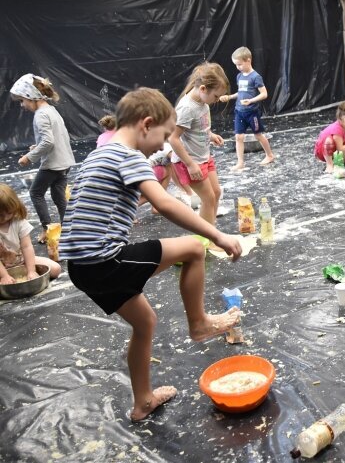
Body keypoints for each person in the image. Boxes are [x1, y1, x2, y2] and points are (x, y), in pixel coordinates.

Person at [59, 87, 242, 422]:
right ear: (146, 124)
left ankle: (142, 402)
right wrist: (217, 234)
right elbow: (165, 202)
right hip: (104, 260)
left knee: (145, 323)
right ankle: (199, 324)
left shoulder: (97, 154)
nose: (162, 145)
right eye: (163, 135)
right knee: (192, 248)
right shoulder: (127, 156)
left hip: (80, 268)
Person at [10, 74, 75, 245]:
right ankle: (70, 228)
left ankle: (47, 231)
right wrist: (37, 146)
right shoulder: (51, 110)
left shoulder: (40, 115)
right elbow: (56, 137)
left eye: (22, 101)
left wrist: (29, 157)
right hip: (64, 161)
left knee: (35, 193)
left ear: (31, 97)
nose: (22, 105)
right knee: (58, 195)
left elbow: (48, 141)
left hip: (52, 164)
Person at [169, 62, 229, 237]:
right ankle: (205, 240)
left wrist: (211, 135)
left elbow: (199, 128)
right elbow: (173, 138)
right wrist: (190, 164)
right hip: (190, 162)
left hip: (203, 157)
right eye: (216, 96)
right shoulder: (187, 108)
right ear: (203, 88)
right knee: (208, 198)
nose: (217, 100)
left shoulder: (203, 103)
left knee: (216, 193)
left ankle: (211, 232)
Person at [218, 47, 274, 170]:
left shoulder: (256, 77)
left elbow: (264, 94)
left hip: (252, 112)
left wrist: (251, 101)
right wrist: (229, 97)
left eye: (239, 64)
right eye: (236, 65)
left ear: (248, 60)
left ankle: (269, 155)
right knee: (239, 137)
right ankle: (240, 162)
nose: (238, 67)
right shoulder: (239, 76)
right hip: (239, 111)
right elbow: (241, 92)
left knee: (258, 135)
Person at [0, 183, 61, 284]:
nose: (5, 218)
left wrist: (31, 271)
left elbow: (26, 247)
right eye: (0, 215)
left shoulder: (18, 221)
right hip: (2, 267)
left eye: (9, 213)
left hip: (21, 260)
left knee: (55, 269)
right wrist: (5, 276)